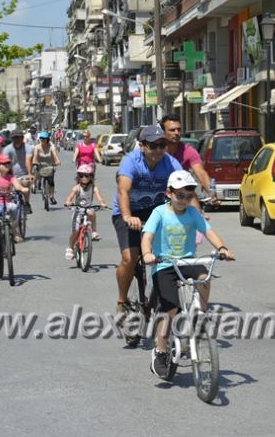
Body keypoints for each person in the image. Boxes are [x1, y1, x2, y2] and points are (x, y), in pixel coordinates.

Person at [141, 170, 235, 377]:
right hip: (164, 264)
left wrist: (222, 249)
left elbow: (208, 231)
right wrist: (147, 253)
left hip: (188, 261)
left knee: (204, 277)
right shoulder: (159, 213)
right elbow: (147, 236)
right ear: (169, 193)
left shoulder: (193, 213)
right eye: (179, 195)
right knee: (171, 310)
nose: (183, 200)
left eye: (188, 196)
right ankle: (161, 351)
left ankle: (199, 316)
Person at [113, 125, 183, 317]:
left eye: (162, 145)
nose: (159, 150)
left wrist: (196, 215)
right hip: (128, 212)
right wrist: (127, 216)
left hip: (155, 212)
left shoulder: (170, 163)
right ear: (142, 145)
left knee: (171, 255)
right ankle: (122, 300)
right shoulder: (131, 161)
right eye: (153, 146)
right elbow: (123, 191)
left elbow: (186, 189)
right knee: (130, 258)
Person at [160, 114, 215, 203]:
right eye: (172, 130)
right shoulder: (157, 151)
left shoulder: (188, 151)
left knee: (196, 208)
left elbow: (201, 173)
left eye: (179, 129)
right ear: (163, 132)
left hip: (180, 197)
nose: (176, 133)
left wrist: (212, 194)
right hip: (158, 197)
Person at [63, 164, 109, 260]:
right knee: (75, 231)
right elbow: (70, 197)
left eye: (86, 176)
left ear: (91, 177)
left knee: (92, 213)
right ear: (78, 177)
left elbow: (100, 199)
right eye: (81, 176)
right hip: (78, 210)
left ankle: (94, 232)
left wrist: (103, 204)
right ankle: (70, 248)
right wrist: (68, 202)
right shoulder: (77, 188)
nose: (84, 178)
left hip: (88, 208)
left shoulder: (94, 188)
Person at [3, 130, 34, 214]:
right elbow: (4, 163)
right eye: (14, 138)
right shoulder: (7, 149)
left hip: (24, 173)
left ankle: (27, 203)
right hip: (11, 174)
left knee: (26, 184)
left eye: (18, 137)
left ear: (22, 138)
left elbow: (28, 160)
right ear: (11, 139)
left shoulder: (28, 147)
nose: (16, 139)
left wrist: (30, 174)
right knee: (5, 189)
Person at [29, 131, 62, 204]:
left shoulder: (51, 147)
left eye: (44, 139)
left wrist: (57, 161)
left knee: (51, 181)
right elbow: (35, 157)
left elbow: (55, 155)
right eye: (41, 139)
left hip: (50, 165)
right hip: (40, 164)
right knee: (36, 173)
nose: (42, 140)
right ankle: (36, 183)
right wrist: (34, 162)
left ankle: (52, 196)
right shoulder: (37, 147)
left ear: (47, 139)